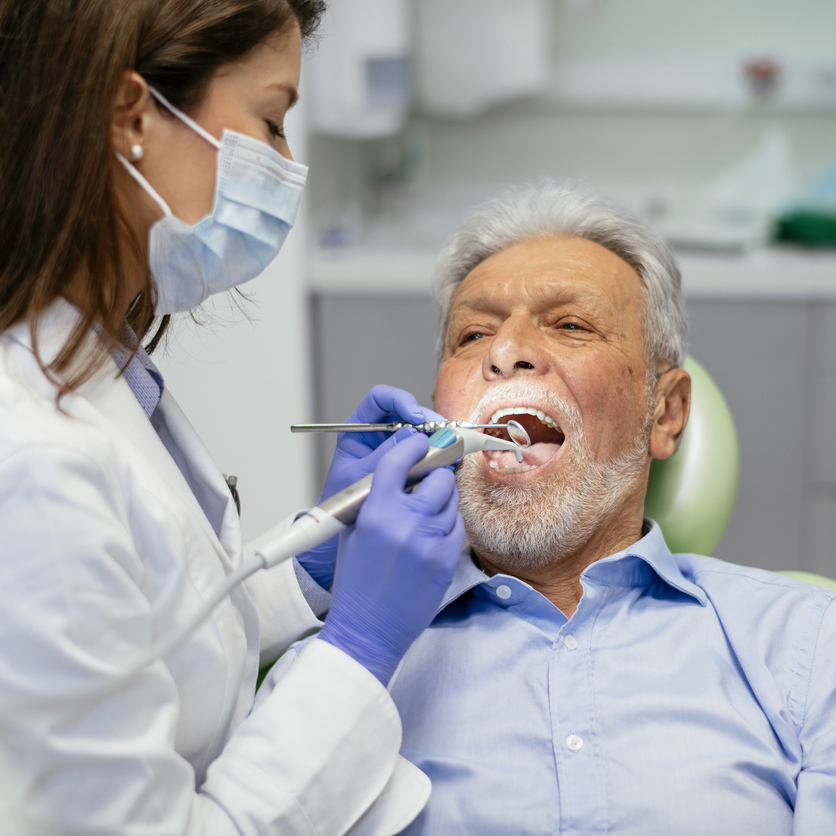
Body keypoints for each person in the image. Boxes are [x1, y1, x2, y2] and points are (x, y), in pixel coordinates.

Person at [0, 2, 464, 834]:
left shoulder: (102, 371)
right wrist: (357, 650)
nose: (287, 164)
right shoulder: (32, 460)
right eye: (271, 122)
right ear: (132, 115)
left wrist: (309, 570)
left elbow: (147, 634)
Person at [268, 180, 836, 834]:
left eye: (570, 324)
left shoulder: (810, 645)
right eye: (474, 335)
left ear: (666, 411)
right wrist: (348, 657)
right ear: (436, 415)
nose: (506, 352)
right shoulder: (335, 671)